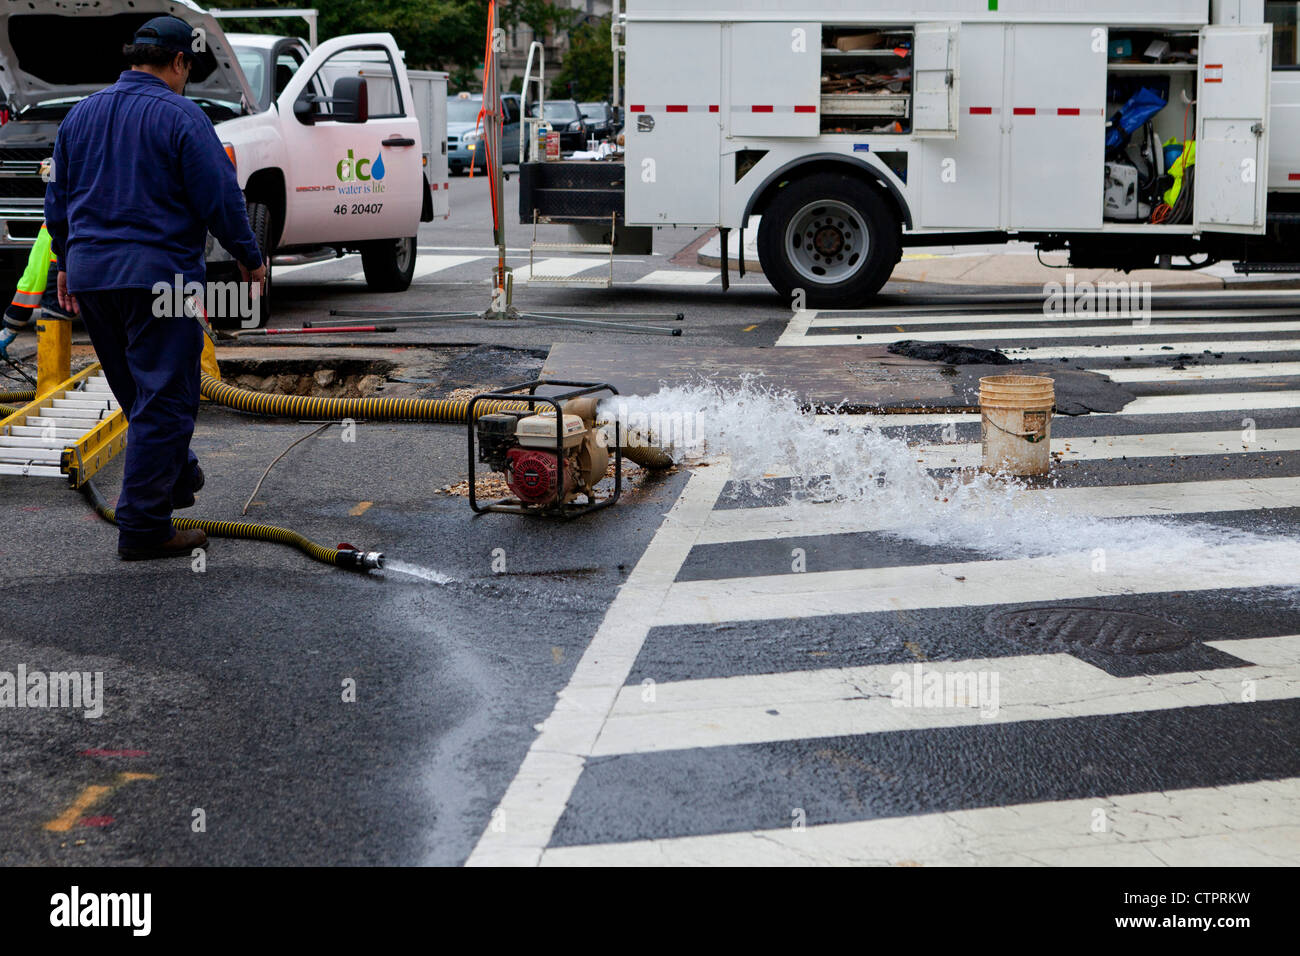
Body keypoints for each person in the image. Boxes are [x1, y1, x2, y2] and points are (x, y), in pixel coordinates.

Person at [45, 15, 266, 560]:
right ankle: (145, 527)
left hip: (94, 279)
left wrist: (65, 260)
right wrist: (249, 256)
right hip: (159, 280)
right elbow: (219, 195)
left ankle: (173, 478)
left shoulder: (79, 116)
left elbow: (59, 197)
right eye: (188, 67)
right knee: (166, 401)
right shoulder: (182, 116)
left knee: (143, 396)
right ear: (179, 62)